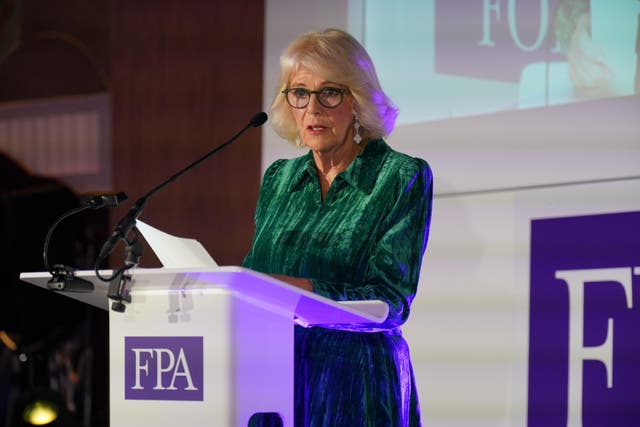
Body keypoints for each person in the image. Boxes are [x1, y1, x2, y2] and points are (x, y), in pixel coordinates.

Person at [242, 28, 433, 426]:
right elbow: (255, 275)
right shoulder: (279, 178)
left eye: (329, 92)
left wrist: (295, 291)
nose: (313, 109)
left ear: (358, 99)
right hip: (274, 379)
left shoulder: (399, 176)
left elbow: (390, 300)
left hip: (356, 387)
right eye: (299, 93)